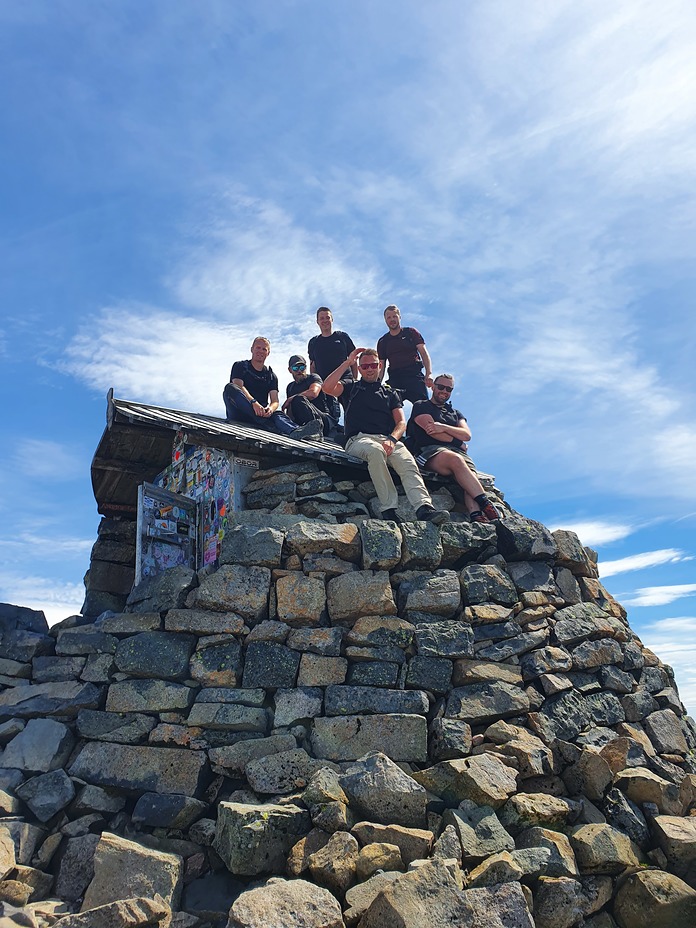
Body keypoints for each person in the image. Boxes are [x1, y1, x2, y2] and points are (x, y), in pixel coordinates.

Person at [323, 347, 450, 525]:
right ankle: (388, 510)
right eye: (364, 366)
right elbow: (327, 387)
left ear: (380, 366)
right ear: (359, 369)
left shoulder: (390, 393)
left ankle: (424, 508)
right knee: (375, 452)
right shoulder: (351, 387)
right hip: (358, 439)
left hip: (388, 439)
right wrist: (347, 362)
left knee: (407, 461)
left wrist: (392, 439)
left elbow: (401, 423)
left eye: (373, 365)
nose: (369, 369)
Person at [406, 373, 500, 523]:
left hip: (457, 453)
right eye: (441, 387)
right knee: (455, 460)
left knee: (470, 476)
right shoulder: (421, 406)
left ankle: (476, 515)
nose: (444, 391)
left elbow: (467, 435)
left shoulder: (455, 413)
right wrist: (458, 442)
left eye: (448, 389)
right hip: (429, 451)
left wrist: (442, 427)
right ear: (433, 387)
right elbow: (432, 432)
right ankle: (485, 503)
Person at [223, 337, 322, 440]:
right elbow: (238, 386)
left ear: (268, 353)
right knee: (230, 388)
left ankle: (297, 431)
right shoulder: (240, 366)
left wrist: (270, 409)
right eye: (258, 348)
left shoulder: (271, 376)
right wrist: (253, 402)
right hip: (240, 411)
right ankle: (266, 423)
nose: (260, 351)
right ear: (252, 349)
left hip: (261, 414)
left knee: (277, 413)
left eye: (264, 349)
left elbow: (274, 400)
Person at [308, 307, 357, 420]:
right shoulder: (314, 342)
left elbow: (353, 360)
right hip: (324, 383)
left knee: (351, 412)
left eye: (327, 317)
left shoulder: (342, 337)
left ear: (332, 319)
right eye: (322, 318)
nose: (325, 320)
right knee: (327, 414)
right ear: (317, 322)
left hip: (345, 379)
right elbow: (313, 365)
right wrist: (315, 381)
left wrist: (355, 379)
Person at [377, 304, 433, 403]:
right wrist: (376, 384)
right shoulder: (383, 341)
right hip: (395, 378)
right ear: (385, 320)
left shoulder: (411, 332)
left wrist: (429, 374)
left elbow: (424, 353)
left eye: (394, 316)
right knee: (391, 409)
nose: (392, 319)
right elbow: (381, 366)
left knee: (423, 407)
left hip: (414, 375)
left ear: (399, 317)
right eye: (389, 317)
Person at [281, 354, 339, 438]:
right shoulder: (290, 387)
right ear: (290, 370)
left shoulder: (313, 377)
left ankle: (315, 431)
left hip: (323, 420)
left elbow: (313, 393)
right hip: (303, 424)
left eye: (302, 367)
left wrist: (291, 399)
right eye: (295, 368)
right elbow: (291, 410)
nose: (299, 371)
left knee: (298, 399)